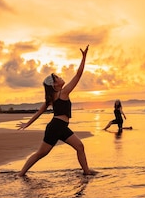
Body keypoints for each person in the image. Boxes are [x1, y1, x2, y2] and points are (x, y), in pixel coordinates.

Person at [16, 46, 95, 176]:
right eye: (57, 77)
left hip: (61, 127)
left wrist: (27, 124)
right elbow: (78, 75)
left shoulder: (54, 96)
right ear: (55, 84)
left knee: (80, 147)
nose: (60, 77)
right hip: (55, 127)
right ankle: (21, 173)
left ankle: (86, 172)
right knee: (41, 153)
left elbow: (39, 112)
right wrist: (84, 58)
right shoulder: (62, 93)